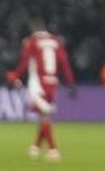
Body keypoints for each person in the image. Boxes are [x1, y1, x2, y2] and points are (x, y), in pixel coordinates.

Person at [12, 21, 76, 161]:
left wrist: (15, 76)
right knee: (44, 115)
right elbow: (64, 63)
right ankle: (35, 147)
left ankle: (53, 150)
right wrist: (71, 83)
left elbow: (24, 61)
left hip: (38, 83)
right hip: (52, 83)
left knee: (45, 116)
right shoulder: (56, 42)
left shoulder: (33, 42)